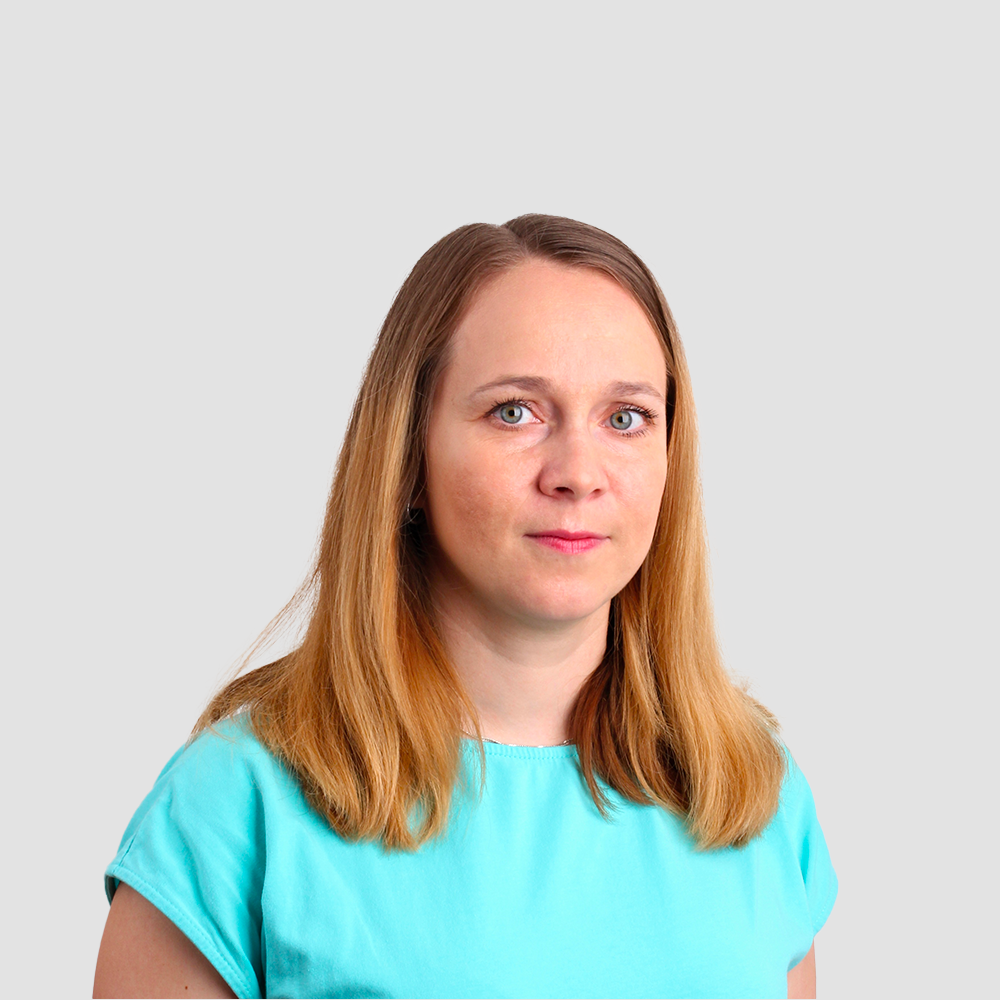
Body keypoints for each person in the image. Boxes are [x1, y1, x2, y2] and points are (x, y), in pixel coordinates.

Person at [93, 214, 837, 999]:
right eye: (515, 411)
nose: (578, 473)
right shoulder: (235, 806)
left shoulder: (754, 791)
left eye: (626, 418)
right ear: (408, 456)